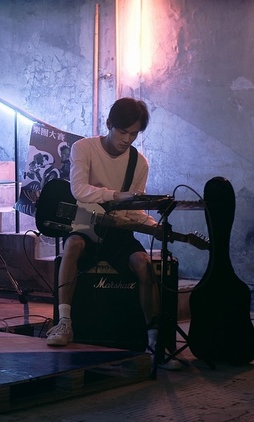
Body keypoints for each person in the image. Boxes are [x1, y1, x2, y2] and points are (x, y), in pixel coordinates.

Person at [46, 98, 162, 355]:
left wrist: (154, 226)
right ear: (109, 124)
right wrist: (116, 195)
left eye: (134, 134)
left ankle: (154, 338)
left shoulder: (139, 162)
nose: (127, 139)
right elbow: (78, 190)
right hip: (86, 227)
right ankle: (64, 323)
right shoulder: (83, 148)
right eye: (123, 131)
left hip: (118, 231)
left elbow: (134, 211)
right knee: (72, 245)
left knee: (143, 263)